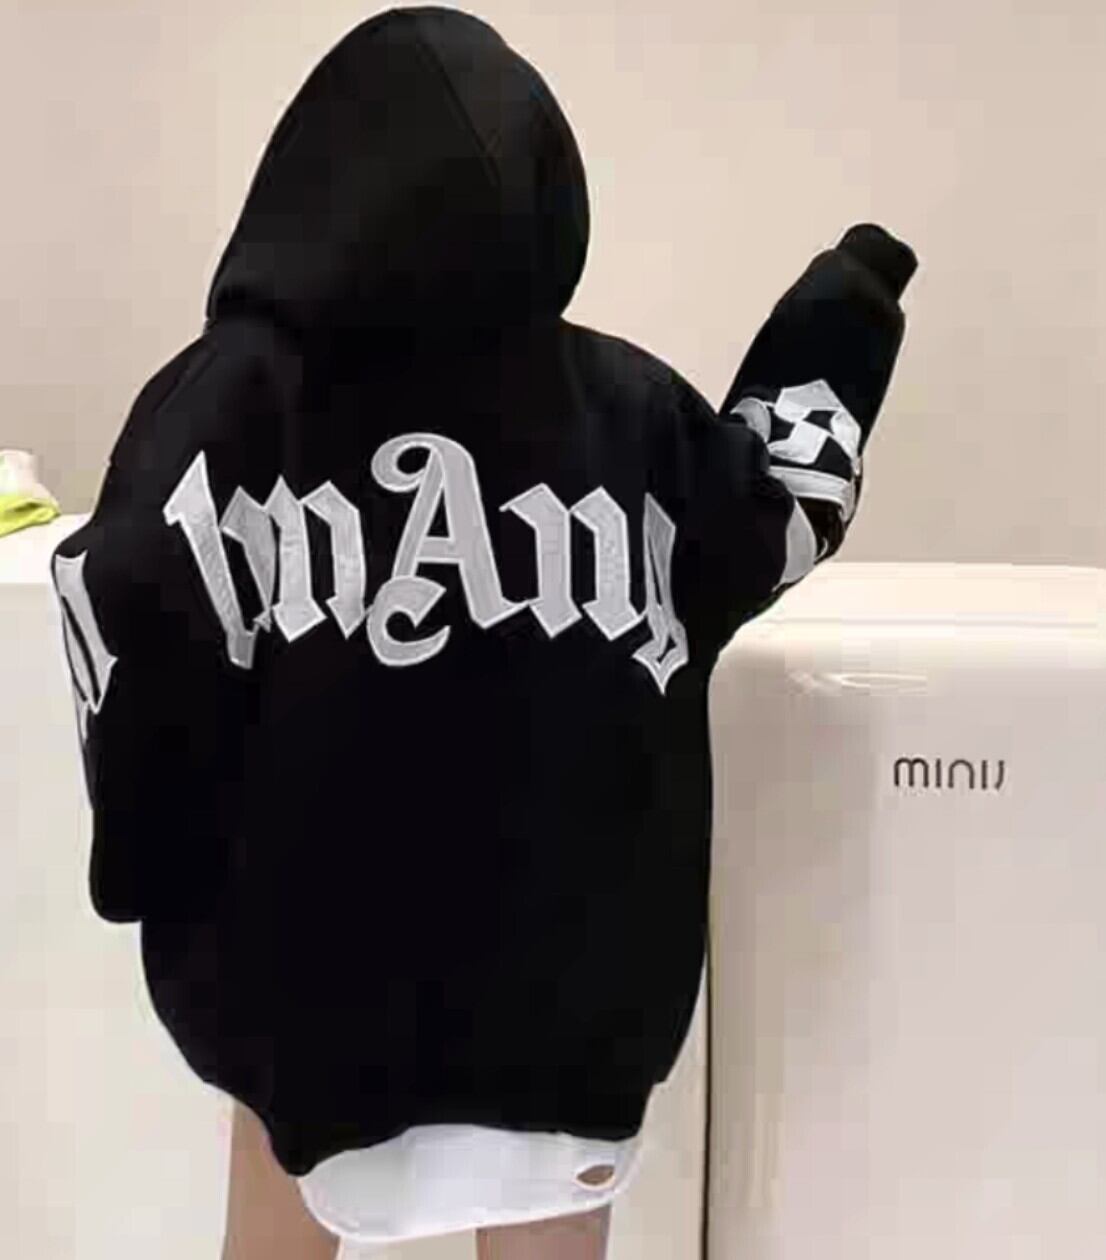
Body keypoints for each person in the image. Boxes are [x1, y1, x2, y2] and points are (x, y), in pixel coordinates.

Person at [49, 7, 917, 1258]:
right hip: (570, 1018)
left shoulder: (227, 405)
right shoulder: (628, 413)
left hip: (308, 1014)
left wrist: (140, 859)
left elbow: (128, 615)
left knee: (275, 1201)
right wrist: (843, 317)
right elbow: (776, 513)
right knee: (550, 1216)